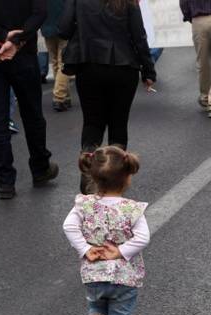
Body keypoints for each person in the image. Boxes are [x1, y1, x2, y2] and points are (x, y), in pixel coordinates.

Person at [63, 146, 150, 315]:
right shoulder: (132, 209)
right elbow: (143, 238)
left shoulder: (85, 204)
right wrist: (121, 251)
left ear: (92, 176)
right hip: (124, 276)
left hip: (94, 272)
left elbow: (69, 226)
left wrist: (85, 249)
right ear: (127, 177)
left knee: (96, 308)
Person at [0, 0, 59, 200]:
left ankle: (5, 181)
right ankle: (40, 168)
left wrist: (1, 36)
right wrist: (17, 39)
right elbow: (40, 12)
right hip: (24, 52)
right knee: (32, 114)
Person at [59, 0, 156, 194]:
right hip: (123, 65)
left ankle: (87, 180)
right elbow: (139, 35)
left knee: (92, 124)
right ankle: (114, 187)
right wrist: (148, 70)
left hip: (89, 64)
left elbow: (63, 29)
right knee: (118, 125)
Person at [41, 0, 72, 112]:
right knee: (63, 62)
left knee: (55, 61)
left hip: (47, 27)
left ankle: (65, 96)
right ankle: (59, 97)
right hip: (64, 28)